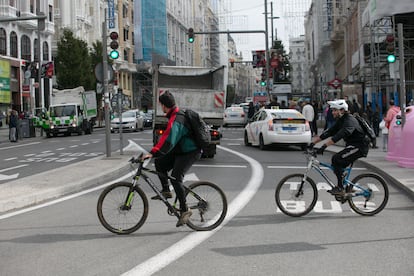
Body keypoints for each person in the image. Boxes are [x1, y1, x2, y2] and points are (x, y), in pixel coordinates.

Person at [141, 91, 201, 227]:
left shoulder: (177, 118)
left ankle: (185, 210)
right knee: (160, 163)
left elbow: (169, 139)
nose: (160, 107)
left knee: (176, 177)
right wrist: (156, 154)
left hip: (191, 151)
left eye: (160, 104)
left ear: (163, 105)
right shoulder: (174, 115)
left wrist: (153, 152)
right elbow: (166, 139)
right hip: (182, 150)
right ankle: (166, 190)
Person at [311, 99, 369, 196]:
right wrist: (313, 143)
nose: (332, 112)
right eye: (332, 110)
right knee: (336, 162)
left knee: (336, 158)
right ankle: (343, 185)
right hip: (352, 146)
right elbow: (329, 132)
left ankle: (340, 188)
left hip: (359, 147)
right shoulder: (341, 120)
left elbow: (340, 135)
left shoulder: (349, 120)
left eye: (334, 110)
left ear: (342, 110)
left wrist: (324, 146)